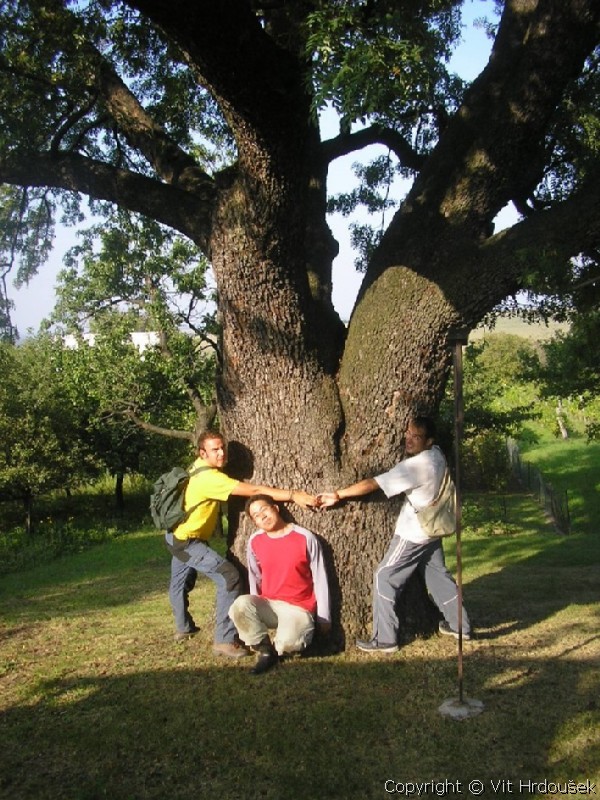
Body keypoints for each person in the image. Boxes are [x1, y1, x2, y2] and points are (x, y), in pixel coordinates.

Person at [317, 415, 471, 653]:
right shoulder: (437, 455)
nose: (409, 440)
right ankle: (461, 625)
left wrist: (338, 494)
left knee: (384, 577)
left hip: (414, 534)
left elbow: (374, 483)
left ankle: (385, 639)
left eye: (416, 437)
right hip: (432, 530)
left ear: (429, 441)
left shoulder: (417, 466)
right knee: (438, 576)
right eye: (408, 433)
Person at [166, 430, 317, 658]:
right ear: (202, 453)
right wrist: (293, 495)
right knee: (230, 576)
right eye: (215, 449)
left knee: (179, 583)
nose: (221, 453)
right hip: (187, 541)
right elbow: (255, 491)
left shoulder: (197, 467)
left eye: (222, 447)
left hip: (174, 535)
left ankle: (183, 628)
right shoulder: (210, 478)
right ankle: (224, 640)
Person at [229, 494, 331, 674]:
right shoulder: (255, 541)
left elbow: (319, 577)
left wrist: (324, 617)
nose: (262, 516)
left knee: (288, 644)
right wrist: (253, 606)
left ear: (275, 509)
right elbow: (255, 576)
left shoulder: (304, 537)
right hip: (270, 604)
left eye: (264, 510)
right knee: (240, 605)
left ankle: (282, 645)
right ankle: (266, 651)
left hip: (299, 607)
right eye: (256, 516)